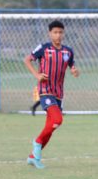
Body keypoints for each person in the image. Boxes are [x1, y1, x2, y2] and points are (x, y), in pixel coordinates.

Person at [24, 20, 79, 169]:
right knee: (58, 119)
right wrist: (37, 75)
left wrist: (75, 71)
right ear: (50, 33)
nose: (58, 35)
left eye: (60, 32)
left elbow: (72, 66)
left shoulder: (68, 51)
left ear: (63, 33)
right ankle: (37, 142)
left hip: (58, 93)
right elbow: (27, 59)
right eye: (55, 32)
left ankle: (33, 157)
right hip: (45, 90)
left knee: (51, 126)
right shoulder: (43, 48)